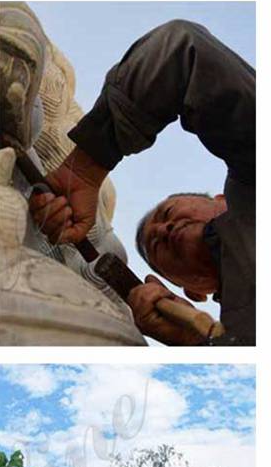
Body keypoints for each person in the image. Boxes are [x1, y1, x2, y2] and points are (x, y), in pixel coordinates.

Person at [28, 20, 255, 345]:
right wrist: (197, 344)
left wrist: (86, 168)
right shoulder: (240, 336)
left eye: (167, 213)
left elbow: (181, 52)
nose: (164, 230)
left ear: (221, 199)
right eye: (156, 247)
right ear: (192, 292)